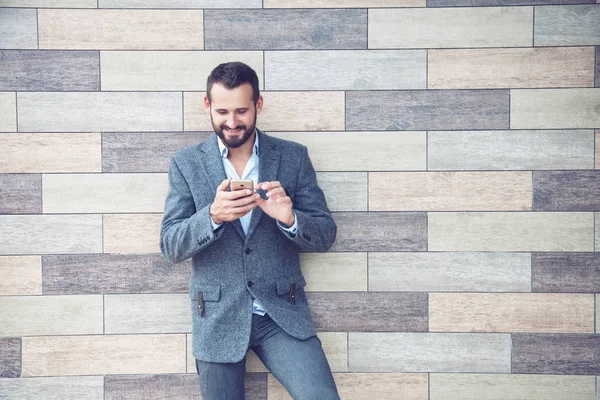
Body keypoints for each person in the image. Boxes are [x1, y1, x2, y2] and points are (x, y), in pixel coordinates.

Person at [160, 61, 340, 400]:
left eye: (241, 110)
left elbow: (325, 233)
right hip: (218, 316)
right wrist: (212, 216)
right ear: (207, 106)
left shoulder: (293, 157)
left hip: (281, 314)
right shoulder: (185, 164)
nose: (231, 122)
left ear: (258, 104)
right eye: (222, 111)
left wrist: (290, 219)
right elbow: (170, 244)